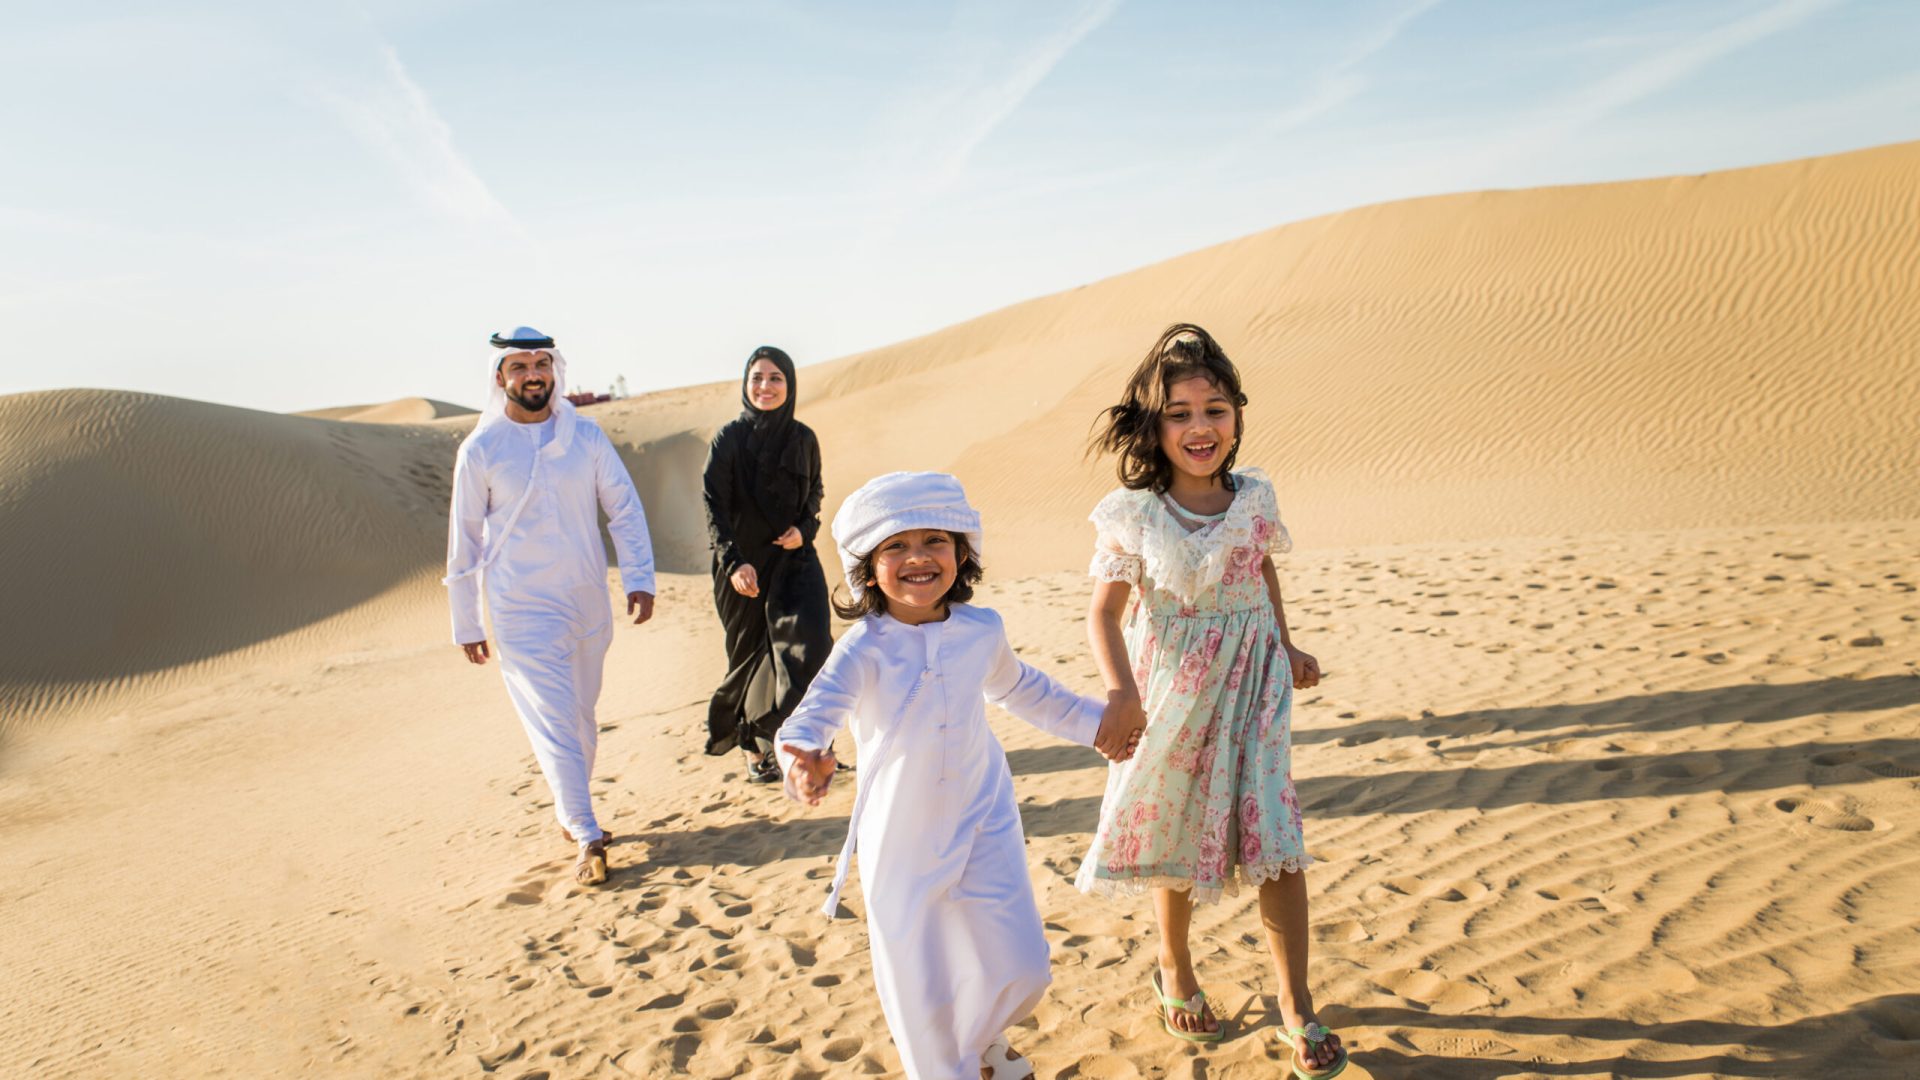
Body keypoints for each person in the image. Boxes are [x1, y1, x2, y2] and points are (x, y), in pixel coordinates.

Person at [776, 472, 1139, 1080]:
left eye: (935, 540)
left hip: (983, 815)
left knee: (1023, 966)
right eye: (896, 545)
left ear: (961, 552)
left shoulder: (981, 629)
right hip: (902, 832)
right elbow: (814, 715)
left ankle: (979, 1043)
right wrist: (801, 759)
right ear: (867, 569)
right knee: (918, 984)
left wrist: (1097, 724)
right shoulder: (863, 647)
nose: (918, 557)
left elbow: (1022, 690)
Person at [1076, 325, 1347, 1076]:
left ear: (1237, 416)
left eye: (1215, 410)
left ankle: (1297, 1005)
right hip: (1173, 694)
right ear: (1153, 426)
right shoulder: (1134, 512)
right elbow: (1103, 615)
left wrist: (1286, 644)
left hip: (1254, 687)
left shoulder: (1254, 495)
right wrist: (1122, 694)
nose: (1201, 428)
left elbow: (1260, 569)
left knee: (1274, 838)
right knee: (1177, 832)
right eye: (1180, 414)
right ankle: (1175, 970)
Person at [445, 326, 657, 887]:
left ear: (554, 370)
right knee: (556, 718)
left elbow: (624, 508)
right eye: (519, 366)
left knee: (581, 718)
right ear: (500, 378)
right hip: (519, 608)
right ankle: (587, 832)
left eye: (541, 364)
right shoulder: (481, 450)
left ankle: (570, 809)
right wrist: (466, 620)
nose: (533, 375)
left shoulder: (585, 436)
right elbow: (464, 540)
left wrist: (639, 577)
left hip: (585, 600)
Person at [702, 346, 833, 782]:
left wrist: (804, 530)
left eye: (776, 378)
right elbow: (713, 506)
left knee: (810, 646)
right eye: (757, 377)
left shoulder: (804, 438)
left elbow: (814, 493)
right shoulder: (728, 439)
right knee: (751, 660)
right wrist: (734, 562)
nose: (766, 386)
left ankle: (807, 741)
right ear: (746, 384)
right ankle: (754, 747)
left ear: (789, 385)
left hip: (794, 559)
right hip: (743, 569)